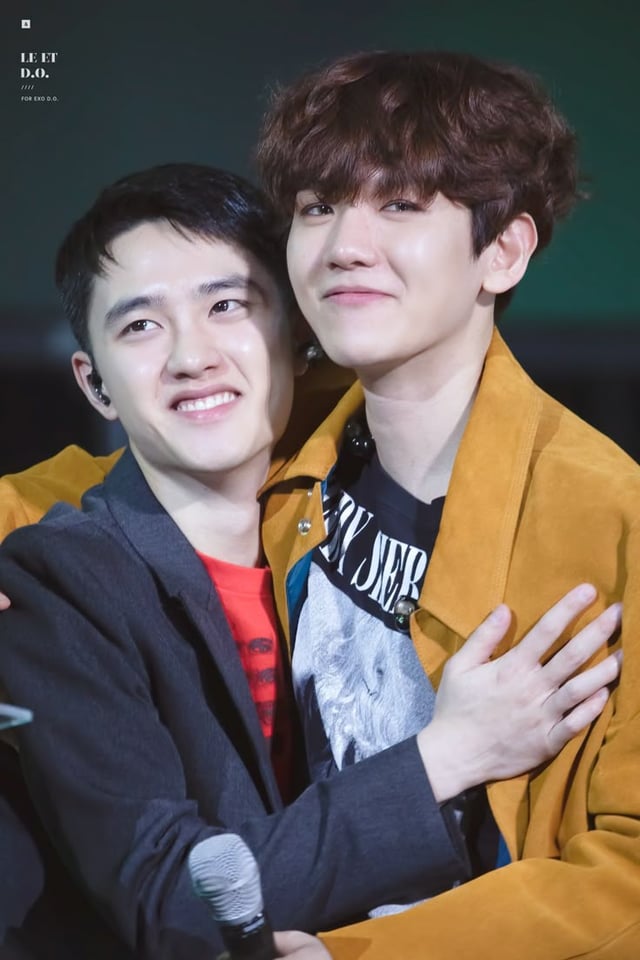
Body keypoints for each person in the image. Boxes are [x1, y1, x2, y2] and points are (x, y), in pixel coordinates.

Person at [0, 162, 620, 959]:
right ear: (96, 387)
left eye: (227, 305)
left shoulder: (334, 521)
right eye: (141, 326)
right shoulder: (56, 584)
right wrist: (447, 755)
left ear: (298, 338)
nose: (192, 355)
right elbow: (175, 898)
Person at [253, 50, 640, 958]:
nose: (344, 245)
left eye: (399, 204)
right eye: (317, 206)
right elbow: (77, 493)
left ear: (503, 251)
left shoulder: (607, 516)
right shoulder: (275, 452)